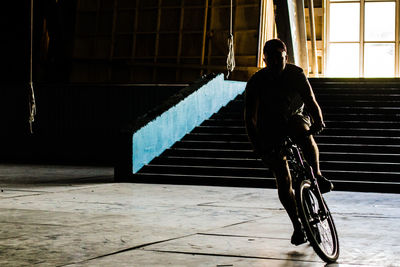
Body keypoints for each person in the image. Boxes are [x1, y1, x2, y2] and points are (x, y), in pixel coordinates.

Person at [244, 39, 333, 246]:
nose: (275, 63)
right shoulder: (257, 82)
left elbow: (311, 101)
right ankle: (297, 226)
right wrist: (258, 145)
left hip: (294, 116)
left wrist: (319, 120)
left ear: (286, 58)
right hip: (270, 127)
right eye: (271, 60)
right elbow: (251, 119)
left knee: (302, 132)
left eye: (280, 58)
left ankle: (317, 175)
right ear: (264, 60)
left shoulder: (296, 74)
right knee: (283, 179)